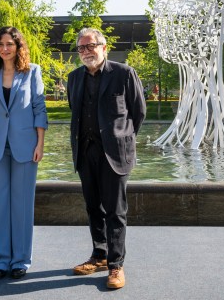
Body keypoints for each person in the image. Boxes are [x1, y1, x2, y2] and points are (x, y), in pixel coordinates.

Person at [66, 27, 146, 290]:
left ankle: (116, 265)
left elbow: (138, 113)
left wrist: (121, 139)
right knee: (93, 208)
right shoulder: (74, 78)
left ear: (104, 46)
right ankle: (99, 255)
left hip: (115, 153)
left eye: (90, 46)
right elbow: (74, 112)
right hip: (85, 152)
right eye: (81, 48)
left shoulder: (124, 74)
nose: (86, 51)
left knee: (115, 212)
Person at [0, 26, 47, 280]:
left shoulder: (33, 72)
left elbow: (40, 108)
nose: (5, 48)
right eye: (1, 44)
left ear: (18, 47)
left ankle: (20, 261)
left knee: (23, 205)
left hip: (26, 145)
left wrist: (40, 144)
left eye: (10, 44)